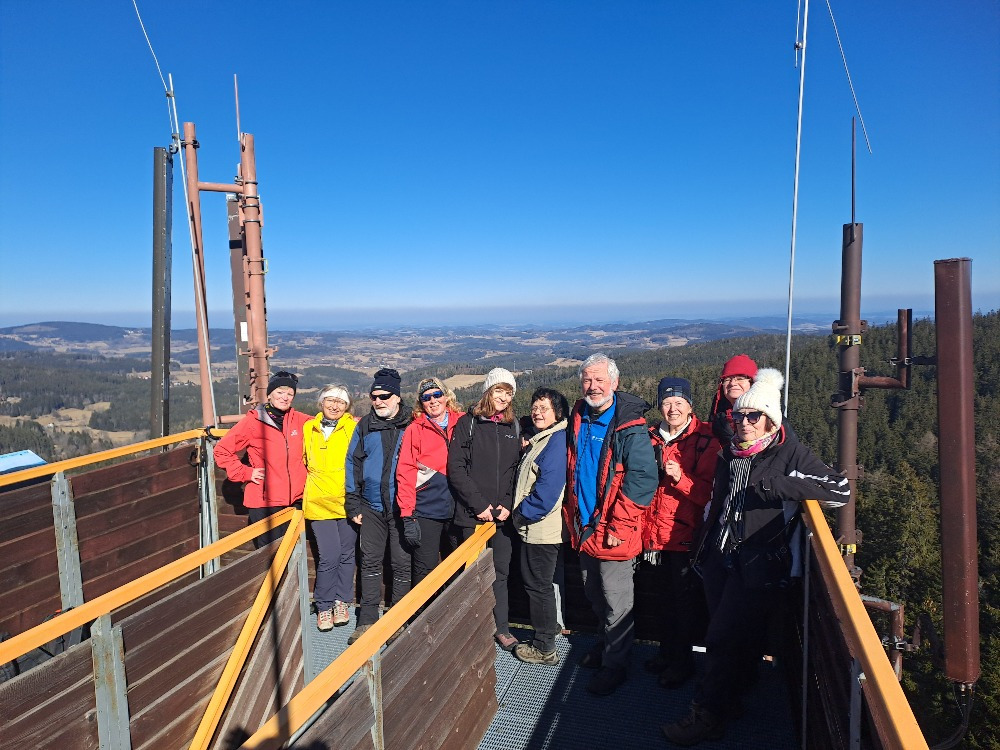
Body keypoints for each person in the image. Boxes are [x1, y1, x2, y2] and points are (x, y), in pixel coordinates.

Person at [662, 369, 850, 745]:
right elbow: (719, 503)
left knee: (720, 637)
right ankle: (730, 699)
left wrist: (778, 486)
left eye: (753, 416)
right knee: (732, 636)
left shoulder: (787, 452)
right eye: (739, 416)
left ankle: (707, 715)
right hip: (720, 557)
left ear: (770, 420)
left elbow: (839, 489)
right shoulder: (731, 453)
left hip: (756, 564)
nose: (744, 423)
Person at [563, 353, 658, 696]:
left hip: (615, 532)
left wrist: (618, 526)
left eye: (600, 379)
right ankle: (606, 646)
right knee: (593, 593)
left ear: (614, 383)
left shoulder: (629, 426)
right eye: (587, 379)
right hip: (585, 527)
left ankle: (615, 666)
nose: (593, 386)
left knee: (617, 601)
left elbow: (643, 478)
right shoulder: (579, 416)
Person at [640, 377, 720, 688]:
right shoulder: (649, 437)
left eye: (679, 402)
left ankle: (682, 663)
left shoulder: (705, 440)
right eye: (667, 402)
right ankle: (666, 654)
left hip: (685, 537)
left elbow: (709, 494)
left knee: (684, 605)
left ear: (690, 405)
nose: (673, 408)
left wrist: (680, 477)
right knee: (662, 600)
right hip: (652, 536)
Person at [448, 367, 522, 651]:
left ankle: (501, 628)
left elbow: (514, 471)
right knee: (473, 575)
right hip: (472, 516)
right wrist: (479, 505)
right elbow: (456, 469)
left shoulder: (513, 427)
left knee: (500, 573)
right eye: (499, 390)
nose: (504, 397)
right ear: (488, 391)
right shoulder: (468, 424)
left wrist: (506, 504)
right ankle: (472, 630)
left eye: (509, 392)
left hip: (502, 517)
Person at [344, 368, 412, 645]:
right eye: (374, 397)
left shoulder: (412, 423)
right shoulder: (365, 425)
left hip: (402, 507)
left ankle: (397, 621)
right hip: (371, 506)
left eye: (385, 396)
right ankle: (367, 621)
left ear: (397, 397)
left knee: (401, 564)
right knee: (370, 562)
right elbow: (352, 462)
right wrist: (353, 502)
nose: (378, 401)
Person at [214, 371, 310, 549]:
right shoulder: (253, 422)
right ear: (270, 394)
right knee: (270, 555)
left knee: (292, 553)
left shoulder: (300, 420)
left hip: (295, 501)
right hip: (265, 502)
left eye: (290, 394)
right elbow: (222, 450)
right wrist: (245, 472)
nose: (285, 397)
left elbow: (326, 423)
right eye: (280, 392)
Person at [511, 387, 570, 666]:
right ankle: (549, 629)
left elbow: (546, 493)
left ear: (558, 413)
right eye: (535, 407)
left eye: (544, 408)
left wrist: (520, 515)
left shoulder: (555, 443)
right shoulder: (545, 438)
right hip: (539, 527)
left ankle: (544, 647)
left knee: (538, 586)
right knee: (542, 585)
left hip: (541, 529)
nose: (537, 412)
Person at [396, 377, 465, 588]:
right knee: (424, 568)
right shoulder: (415, 429)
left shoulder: (463, 422)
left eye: (437, 395)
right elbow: (405, 473)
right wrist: (407, 515)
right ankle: (423, 609)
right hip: (427, 508)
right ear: (421, 403)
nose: (433, 401)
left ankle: (452, 607)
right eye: (426, 398)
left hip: (460, 508)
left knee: (458, 565)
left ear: (446, 397)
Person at [302, 385, 359, 631]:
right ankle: (324, 605)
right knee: (329, 555)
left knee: (347, 554)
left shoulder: (353, 428)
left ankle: (341, 601)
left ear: (347, 407)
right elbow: (303, 459)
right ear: (321, 402)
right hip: (318, 501)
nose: (335, 406)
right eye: (330, 400)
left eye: (341, 402)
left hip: (346, 500)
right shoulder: (308, 428)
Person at [708, 354, 757, 444]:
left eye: (740, 378)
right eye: (727, 379)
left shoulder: (766, 417)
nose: (732, 383)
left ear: (753, 383)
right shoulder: (718, 419)